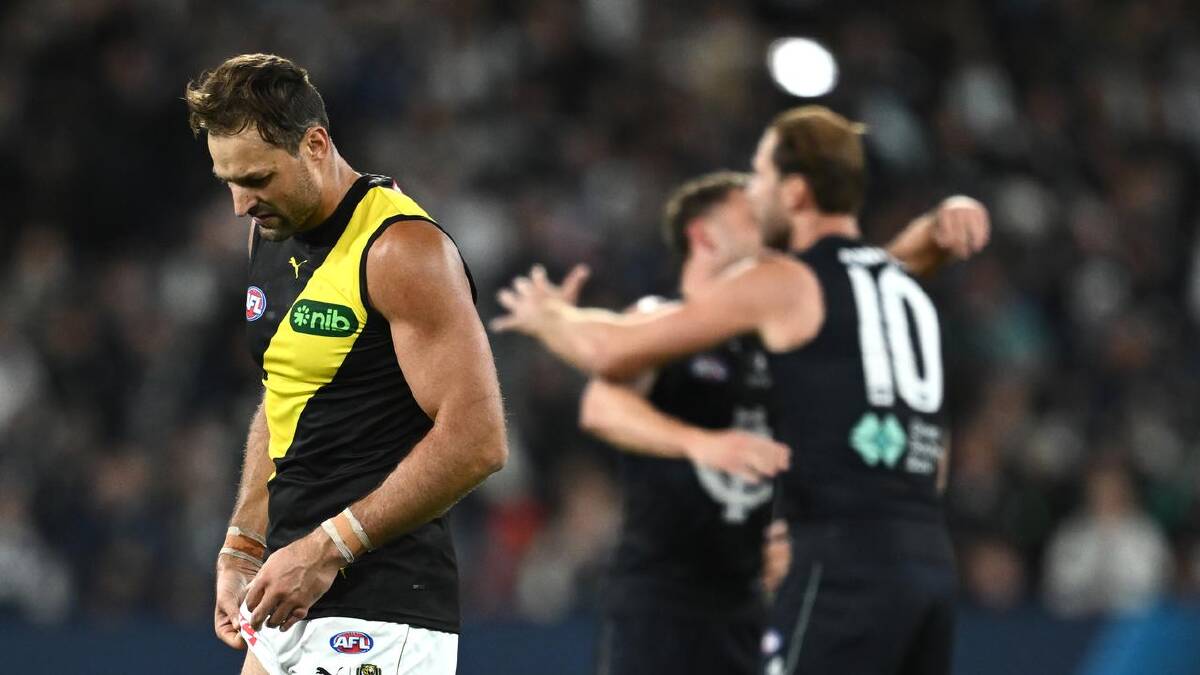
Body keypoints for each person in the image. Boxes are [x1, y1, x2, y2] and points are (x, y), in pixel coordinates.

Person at [493, 106, 988, 675]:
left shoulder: (783, 289)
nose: (757, 195)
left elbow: (609, 349)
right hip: (916, 560)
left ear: (796, 192)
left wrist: (551, 318)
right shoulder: (887, 288)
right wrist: (940, 227)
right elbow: (605, 398)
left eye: (761, 177)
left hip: (833, 563)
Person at [186, 53, 507, 675]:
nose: (239, 204)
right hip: (291, 592)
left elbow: (478, 440)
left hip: (380, 610)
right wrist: (244, 544)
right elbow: (284, 399)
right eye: (227, 179)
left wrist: (328, 549)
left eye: (256, 179)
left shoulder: (402, 250)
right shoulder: (272, 234)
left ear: (314, 144)